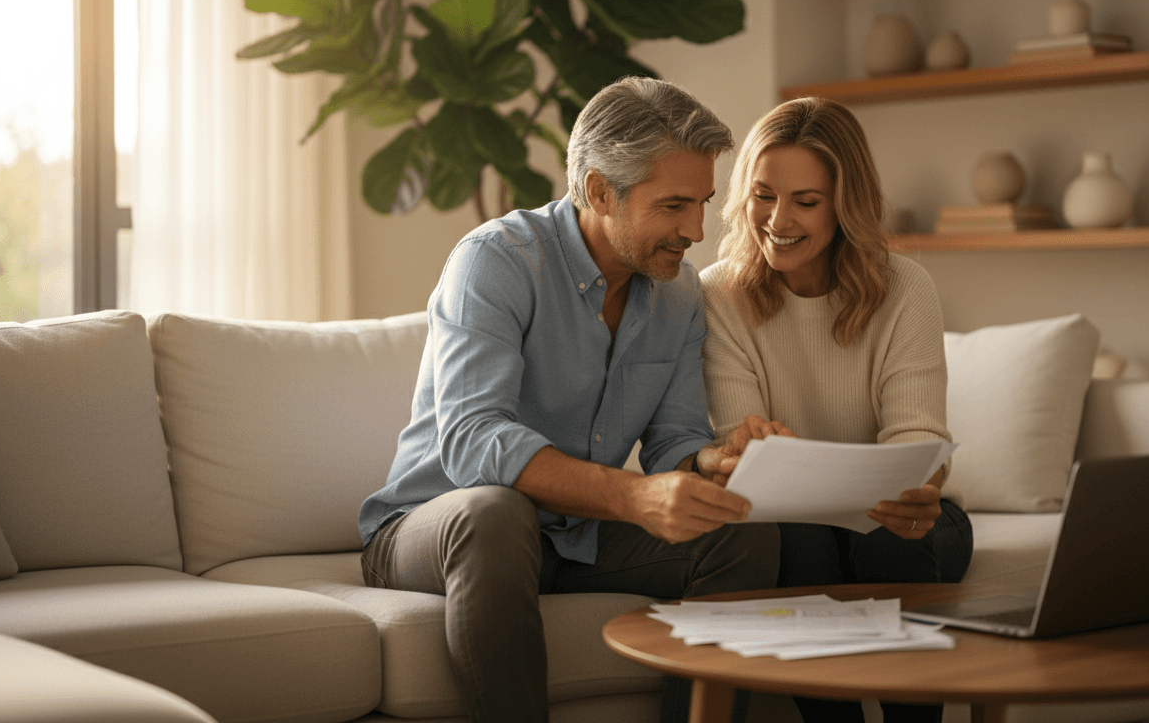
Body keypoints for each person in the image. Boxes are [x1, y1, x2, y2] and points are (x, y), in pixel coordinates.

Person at [356, 77, 780, 723]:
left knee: (741, 533)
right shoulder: (497, 261)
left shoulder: (679, 293)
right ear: (598, 191)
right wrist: (634, 496)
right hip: (439, 525)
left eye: (702, 203)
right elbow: (472, 440)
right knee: (496, 513)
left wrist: (711, 465)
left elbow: (673, 442)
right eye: (672, 206)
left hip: (574, 535)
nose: (695, 230)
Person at [700, 97, 974, 723]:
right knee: (794, 540)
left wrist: (917, 488)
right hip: (796, 527)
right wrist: (744, 448)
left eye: (806, 201)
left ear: (845, 206)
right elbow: (734, 444)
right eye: (764, 194)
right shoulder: (718, 294)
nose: (778, 219)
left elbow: (918, 436)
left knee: (888, 535)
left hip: (910, 524)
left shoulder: (906, 288)